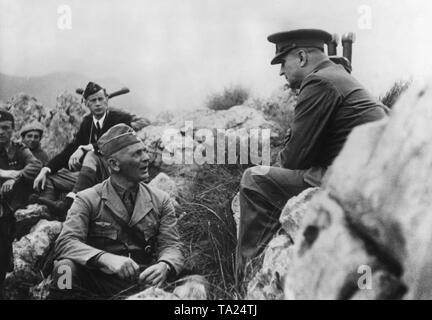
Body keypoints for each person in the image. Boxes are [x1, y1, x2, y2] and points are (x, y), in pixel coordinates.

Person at [235, 29, 389, 283]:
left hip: (356, 182)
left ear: (302, 57)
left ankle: (247, 278)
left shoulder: (319, 82)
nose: (281, 72)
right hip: (371, 174)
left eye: (283, 62)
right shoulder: (336, 76)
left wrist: (271, 171)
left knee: (254, 180)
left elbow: (294, 159)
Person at [50, 124, 184, 298]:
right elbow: (65, 243)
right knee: (63, 269)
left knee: (196, 283)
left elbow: (171, 245)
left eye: (144, 151)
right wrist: (105, 258)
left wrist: (165, 265)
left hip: (143, 280)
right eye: (137, 154)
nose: (146, 159)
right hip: (99, 279)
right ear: (114, 164)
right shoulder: (87, 198)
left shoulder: (161, 199)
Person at [31, 82, 133, 219]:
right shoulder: (87, 123)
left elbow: (118, 141)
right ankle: (50, 209)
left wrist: (88, 147)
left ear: (107, 100)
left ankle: (68, 203)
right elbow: (70, 149)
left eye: (100, 99)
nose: (97, 103)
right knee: (49, 176)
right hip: (91, 178)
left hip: (114, 176)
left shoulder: (120, 119)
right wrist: (47, 168)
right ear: (86, 104)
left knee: (91, 154)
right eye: (93, 100)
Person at [0, 109, 42, 296]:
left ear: (12, 130)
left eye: (5, 128)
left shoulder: (19, 149)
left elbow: (35, 165)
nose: (1, 132)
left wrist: (16, 178)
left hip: (14, 206)